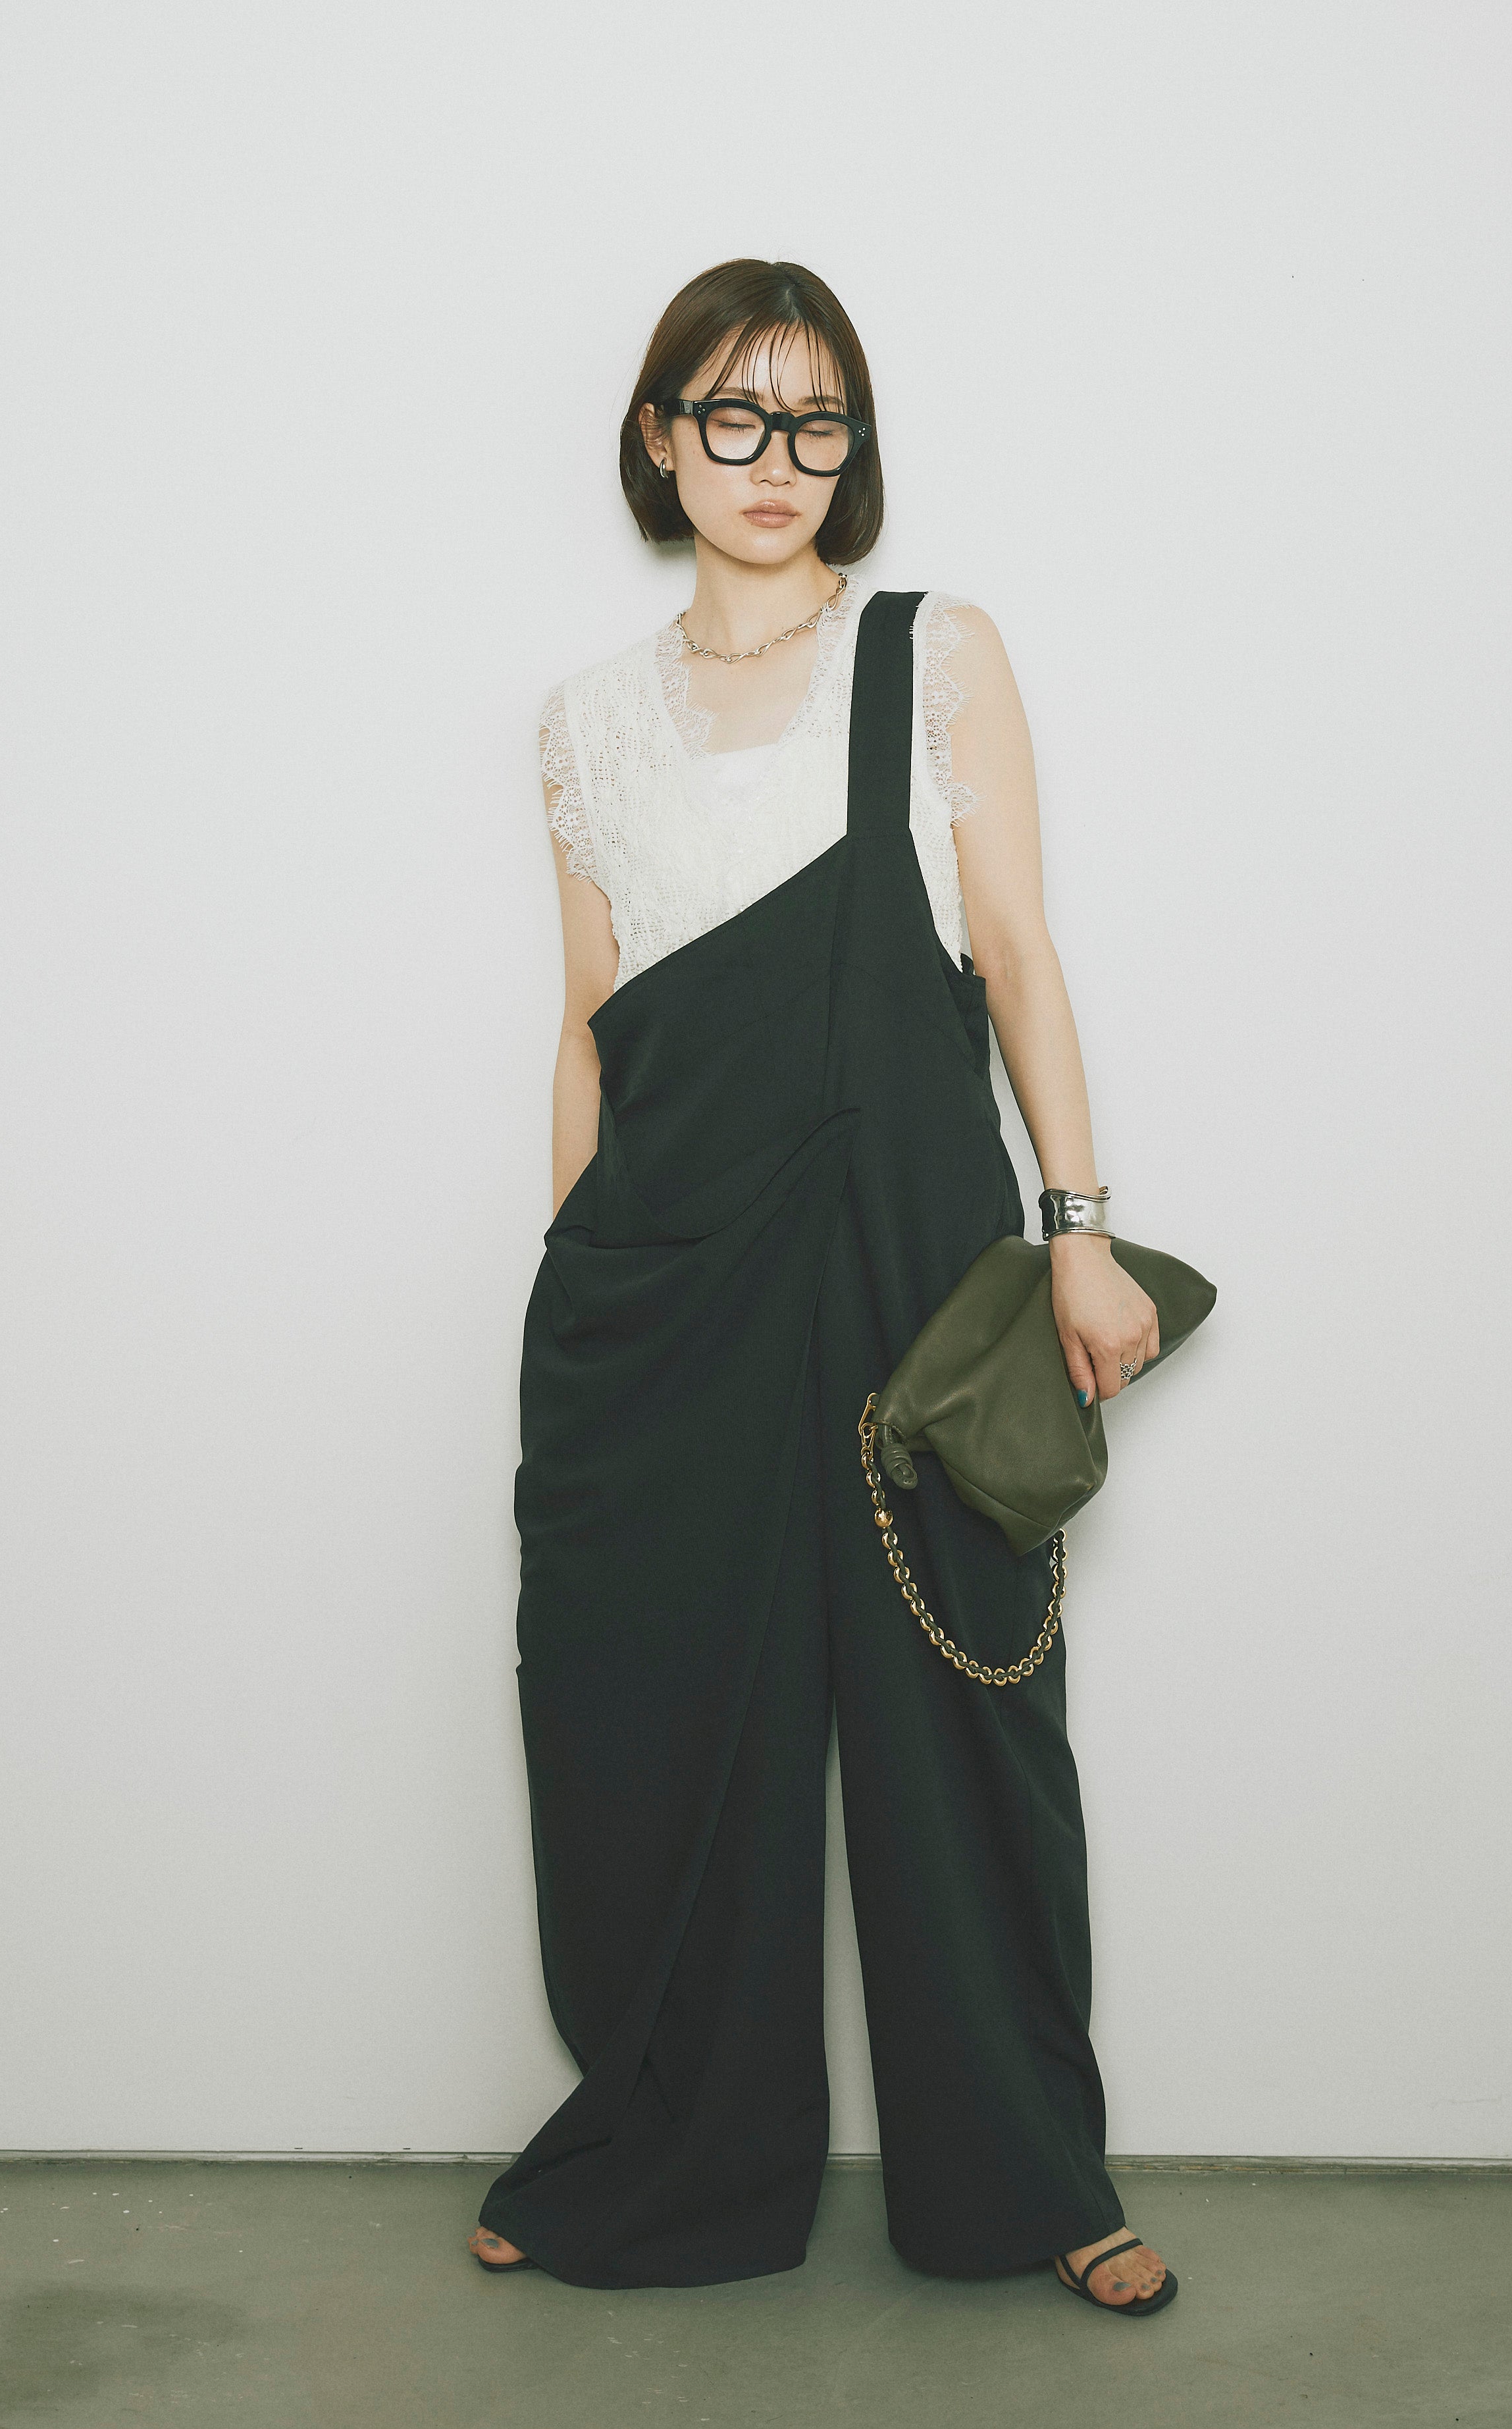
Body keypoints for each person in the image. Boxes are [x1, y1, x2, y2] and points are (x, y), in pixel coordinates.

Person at [468, 258, 1177, 2318]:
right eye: (734, 412)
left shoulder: (931, 652)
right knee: (661, 1717)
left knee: (967, 1712)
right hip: (665, 1274)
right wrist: (583, 1281)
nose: (775, 458)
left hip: (910, 1254)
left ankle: (1034, 2177)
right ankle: (667, 2154)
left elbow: (1015, 953)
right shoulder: (583, 723)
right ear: (661, 436)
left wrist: (1079, 1226)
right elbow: (592, 1023)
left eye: (815, 419)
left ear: (850, 446)